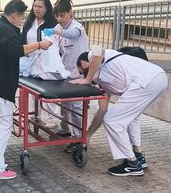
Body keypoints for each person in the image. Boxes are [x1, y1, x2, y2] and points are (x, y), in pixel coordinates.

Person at [0, 0, 52, 180]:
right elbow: (15, 50)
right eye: (21, 17)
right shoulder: (7, 30)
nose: (22, 20)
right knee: (3, 126)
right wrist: (39, 45)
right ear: (14, 15)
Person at [72, 47, 168, 176]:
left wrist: (87, 80)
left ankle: (132, 163)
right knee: (131, 117)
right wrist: (88, 135)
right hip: (157, 79)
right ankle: (137, 155)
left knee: (113, 121)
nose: (82, 76)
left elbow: (97, 52)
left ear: (84, 64)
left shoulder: (97, 55)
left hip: (147, 80)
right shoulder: (102, 80)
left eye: (81, 72)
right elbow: (102, 110)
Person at [43, 0, 89, 152]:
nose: (59, 18)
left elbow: (71, 35)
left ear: (71, 12)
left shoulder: (78, 28)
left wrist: (57, 31)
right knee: (64, 105)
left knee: (76, 109)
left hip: (78, 75)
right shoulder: (58, 27)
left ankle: (79, 140)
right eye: (57, 15)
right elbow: (55, 44)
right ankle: (64, 130)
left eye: (62, 15)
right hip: (66, 74)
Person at [20, 0, 59, 127]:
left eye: (40, 6)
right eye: (35, 6)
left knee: (48, 89)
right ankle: (35, 115)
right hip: (31, 61)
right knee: (33, 90)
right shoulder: (29, 23)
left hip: (47, 62)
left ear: (47, 8)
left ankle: (52, 118)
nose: (37, 9)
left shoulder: (53, 24)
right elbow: (23, 41)